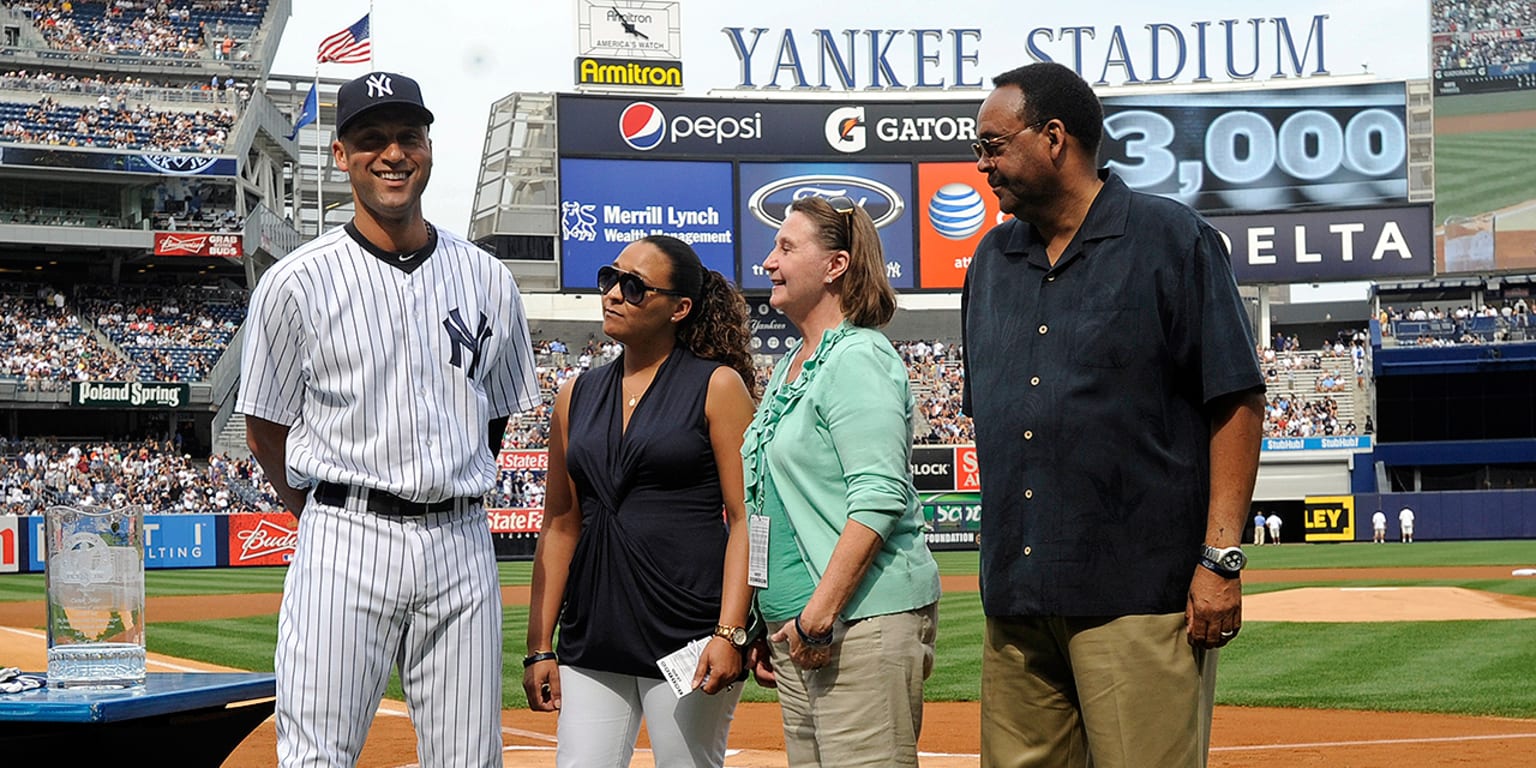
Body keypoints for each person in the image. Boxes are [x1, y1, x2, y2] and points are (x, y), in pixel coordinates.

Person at [961, 62, 1265, 768]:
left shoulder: (1171, 239)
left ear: (1055, 138)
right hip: (1016, 599)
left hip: (1137, 596)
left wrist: (1220, 557)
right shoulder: (991, 260)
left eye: (994, 145)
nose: (981, 165)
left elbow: (1236, 399)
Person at [237, 71, 539, 768]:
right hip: (347, 536)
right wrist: (322, 510)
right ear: (341, 155)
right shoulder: (296, 280)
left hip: (461, 537)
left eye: (408, 136)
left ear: (429, 147)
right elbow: (264, 428)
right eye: (372, 139)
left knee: (470, 760)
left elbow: (492, 418)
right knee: (317, 756)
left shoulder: (487, 277)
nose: (393, 153)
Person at [523, 235, 758, 767]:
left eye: (634, 286)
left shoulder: (718, 386)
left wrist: (731, 632)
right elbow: (560, 523)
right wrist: (541, 645)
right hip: (594, 629)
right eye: (610, 278)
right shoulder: (574, 394)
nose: (612, 294)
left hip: (689, 631)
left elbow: (748, 519)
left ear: (680, 308)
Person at [741, 195, 942, 767]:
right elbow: (766, 505)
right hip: (798, 634)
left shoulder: (858, 357)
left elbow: (878, 498)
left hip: (852, 626)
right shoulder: (790, 365)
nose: (768, 262)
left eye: (785, 247)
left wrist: (816, 616)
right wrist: (768, 618)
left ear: (836, 266)